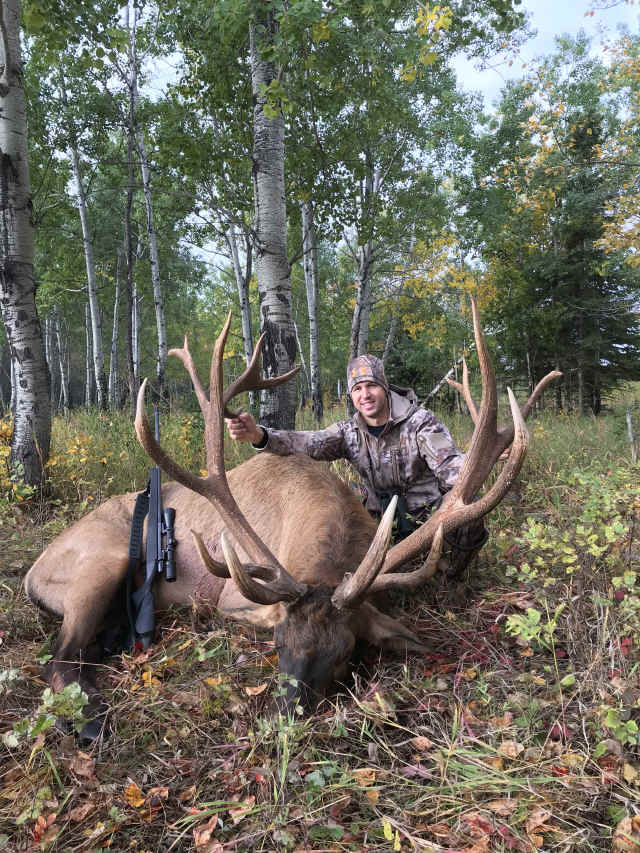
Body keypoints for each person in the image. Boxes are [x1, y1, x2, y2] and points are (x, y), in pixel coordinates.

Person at [225, 354, 487, 577]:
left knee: (468, 508)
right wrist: (259, 435)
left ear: (385, 387)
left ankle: (453, 577)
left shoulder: (421, 424)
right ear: (351, 395)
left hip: (425, 522)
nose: (365, 395)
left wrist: (472, 469)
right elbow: (307, 443)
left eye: (371, 385)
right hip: (376, 523)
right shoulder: (348, 432)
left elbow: (454, 470)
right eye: (357, 389)